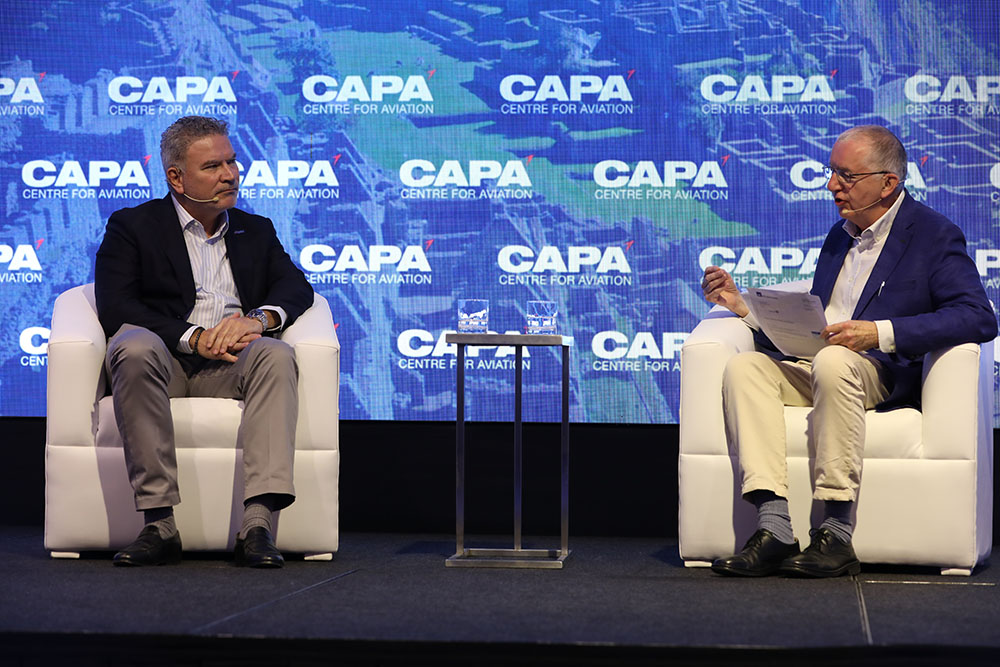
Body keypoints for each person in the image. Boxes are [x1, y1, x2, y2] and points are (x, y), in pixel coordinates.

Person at [701, 125, 997, 578]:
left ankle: (836, 533)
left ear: (887, 183)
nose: (831, 185)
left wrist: (878, 333)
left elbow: (978, 317)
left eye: (846, 176)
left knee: (835, 360)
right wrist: (742, 307)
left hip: (881, 371)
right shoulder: (840, 235)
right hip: (822, 363)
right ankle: (774, 527)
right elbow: (822, 323)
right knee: (745, 368)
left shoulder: (934, 235)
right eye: (832, 172)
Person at [95, 116, 314, 568]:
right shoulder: (133, 226)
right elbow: (116, 305)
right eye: (213, 166)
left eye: (231, 162)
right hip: (165, 362)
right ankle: (159, 525)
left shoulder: (255, 229)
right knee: (132, 346)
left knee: (275, 353)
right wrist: (193, 338)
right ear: (176, 178)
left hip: (233, 365)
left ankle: (257, 527)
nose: (229, 175)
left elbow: (295, 287)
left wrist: (258, 320)